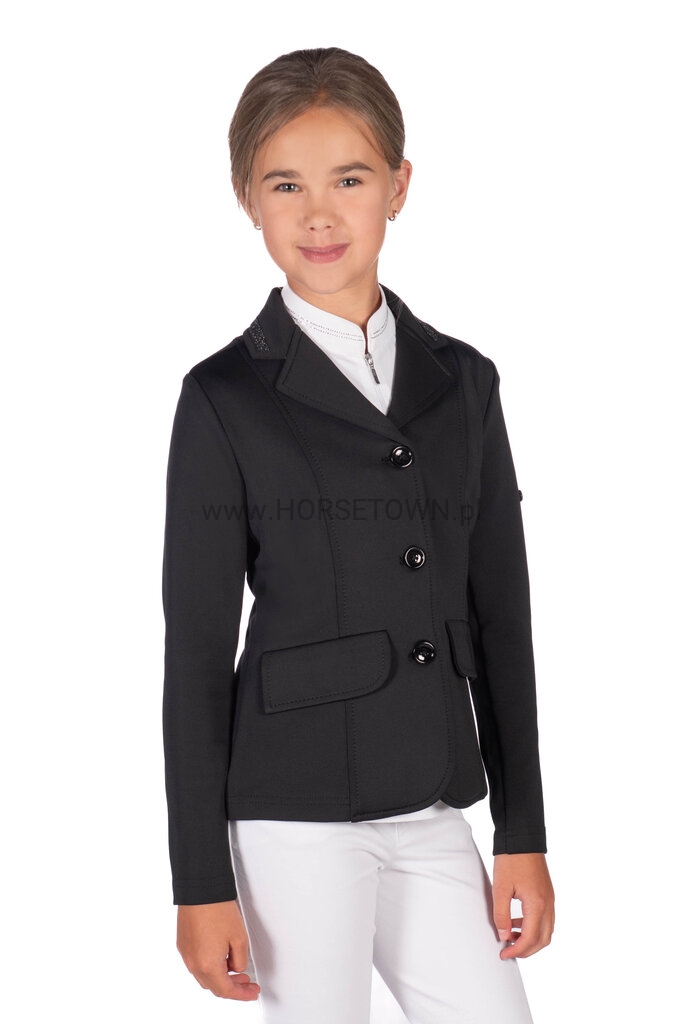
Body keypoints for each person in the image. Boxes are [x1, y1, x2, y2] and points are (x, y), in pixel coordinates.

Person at [162, 46, 555, 1024]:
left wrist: (524, 830)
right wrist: (199, 882)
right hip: (292, 814)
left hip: (431, 801)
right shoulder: (222, 397)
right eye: (284, 185)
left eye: (349, 179)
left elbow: (502, 617)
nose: (319, 215)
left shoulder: (465, 382)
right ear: (248, 200)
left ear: (399, 186)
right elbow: (197, 654)